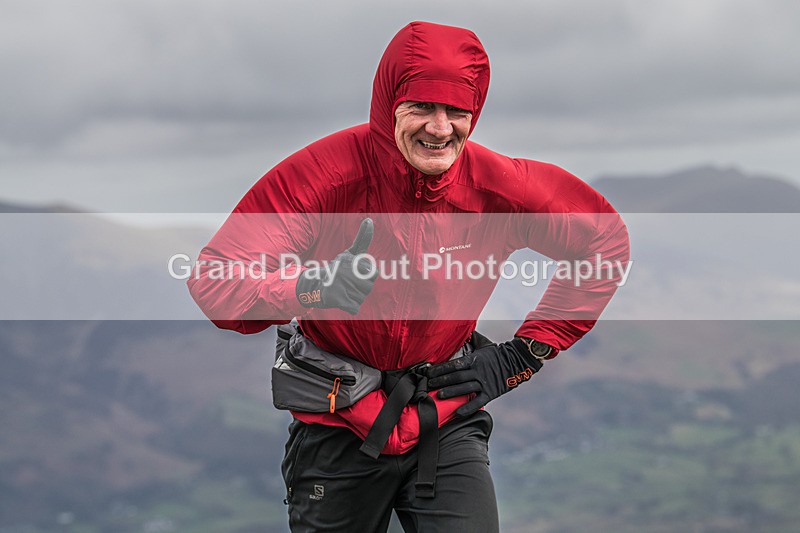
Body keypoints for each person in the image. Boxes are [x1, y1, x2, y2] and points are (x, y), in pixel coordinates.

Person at [188, 21, 630, 533]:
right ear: (387, 105)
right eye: (420, 107)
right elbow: (216, 281)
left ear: (475, 112)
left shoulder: (499, 187)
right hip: (336, 425)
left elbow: (604, 241)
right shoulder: (324, 176)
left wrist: (521, 356)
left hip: (443, 416)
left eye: (456, 111)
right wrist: (311, 287)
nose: (439, 128)